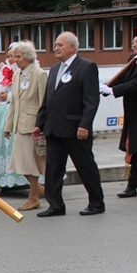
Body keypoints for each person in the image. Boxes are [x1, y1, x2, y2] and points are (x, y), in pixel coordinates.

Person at [33, 32, 105, 217]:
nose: (56, 48)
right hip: (53, 128)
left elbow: (91, 100)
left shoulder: (86, 67)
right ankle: (55, 205)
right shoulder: (56, 69)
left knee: (85, 167)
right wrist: (39, 123)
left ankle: (96, 203)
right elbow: (49, 99)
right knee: (53, 169)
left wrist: (85, 125)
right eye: (55, 44)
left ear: (72, 47)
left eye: (60, 44)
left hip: (75, 128)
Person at [100, 27, 137, 198]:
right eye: (134, 42)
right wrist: (106, 87)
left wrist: (113, 91)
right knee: (136, 148)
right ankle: (132, 186)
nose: (135, 45)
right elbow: (124, 77)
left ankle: (132, 186)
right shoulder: (132, 59)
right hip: (134, 112)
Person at [5, 41, 48, 211]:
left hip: (33, 126)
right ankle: (37, 190)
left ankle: (34, 197)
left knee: (33, 163)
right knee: (20, 163)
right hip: (19, 125)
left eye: (18, 56)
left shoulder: (39, 74)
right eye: (14, 56)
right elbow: (14, 103)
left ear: (28, 57)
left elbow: (44, 102)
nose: (15, 60)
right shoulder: (17, 75)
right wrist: (8, 126)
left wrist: (41, 125)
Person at [0, 43, 29, 193]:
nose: (11, 59)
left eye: (15, 56)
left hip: (18, 111)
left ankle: (26, 180)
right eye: (9, 56)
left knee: (17, 146)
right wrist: (2, 96)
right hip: (2, 112)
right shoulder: (6, 72)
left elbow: (26, 93)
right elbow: (1, 89)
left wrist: (8, 96)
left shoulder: (28, 73)